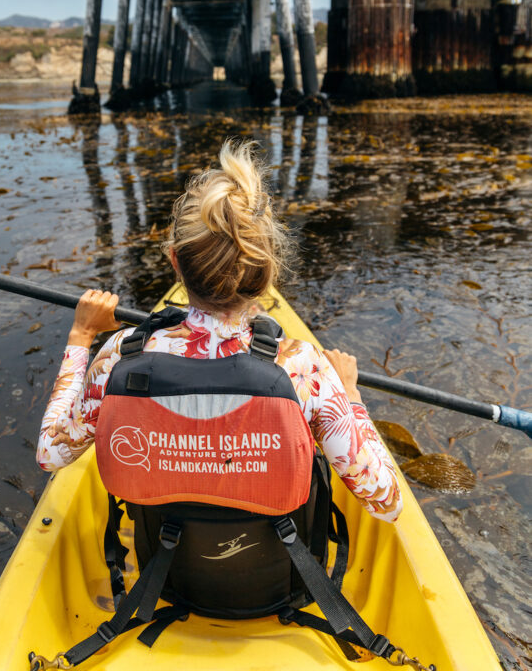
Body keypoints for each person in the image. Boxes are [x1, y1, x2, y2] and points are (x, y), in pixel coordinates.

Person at [37, 140, 401, 524]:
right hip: (272, 573)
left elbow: (49, 454)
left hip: (167, 565)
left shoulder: (118, 355)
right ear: (265, 273)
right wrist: (351, 396)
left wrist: (81, 336)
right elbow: (388, 503)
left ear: (176, 261)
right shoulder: (303, 368)